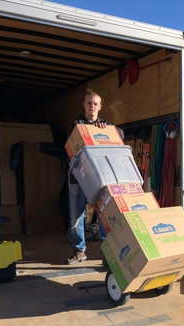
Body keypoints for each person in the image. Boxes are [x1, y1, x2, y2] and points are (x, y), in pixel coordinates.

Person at [66, 90, 122, 265]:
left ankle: (106, 253)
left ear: (100, 106)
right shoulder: (75, 125)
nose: (92, 106)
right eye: (89, 103)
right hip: (79, 178)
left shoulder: (105, 125)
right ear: (84, 105)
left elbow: (119, 135)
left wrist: (109, 130)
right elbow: (70, 144)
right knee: (76, 216)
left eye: (95, 103)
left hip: (100, 179)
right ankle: (80, 250)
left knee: (104, 215)